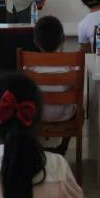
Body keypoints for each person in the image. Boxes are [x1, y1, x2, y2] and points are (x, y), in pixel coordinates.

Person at [30, 15, 77, 155]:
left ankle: (36, 146)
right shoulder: (71, 67)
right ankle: (63, 146)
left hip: (37, 116)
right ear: (63, 39)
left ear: (35, 41)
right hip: (65, 115)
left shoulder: (29, 68)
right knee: (81, 98)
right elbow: (75, 92)